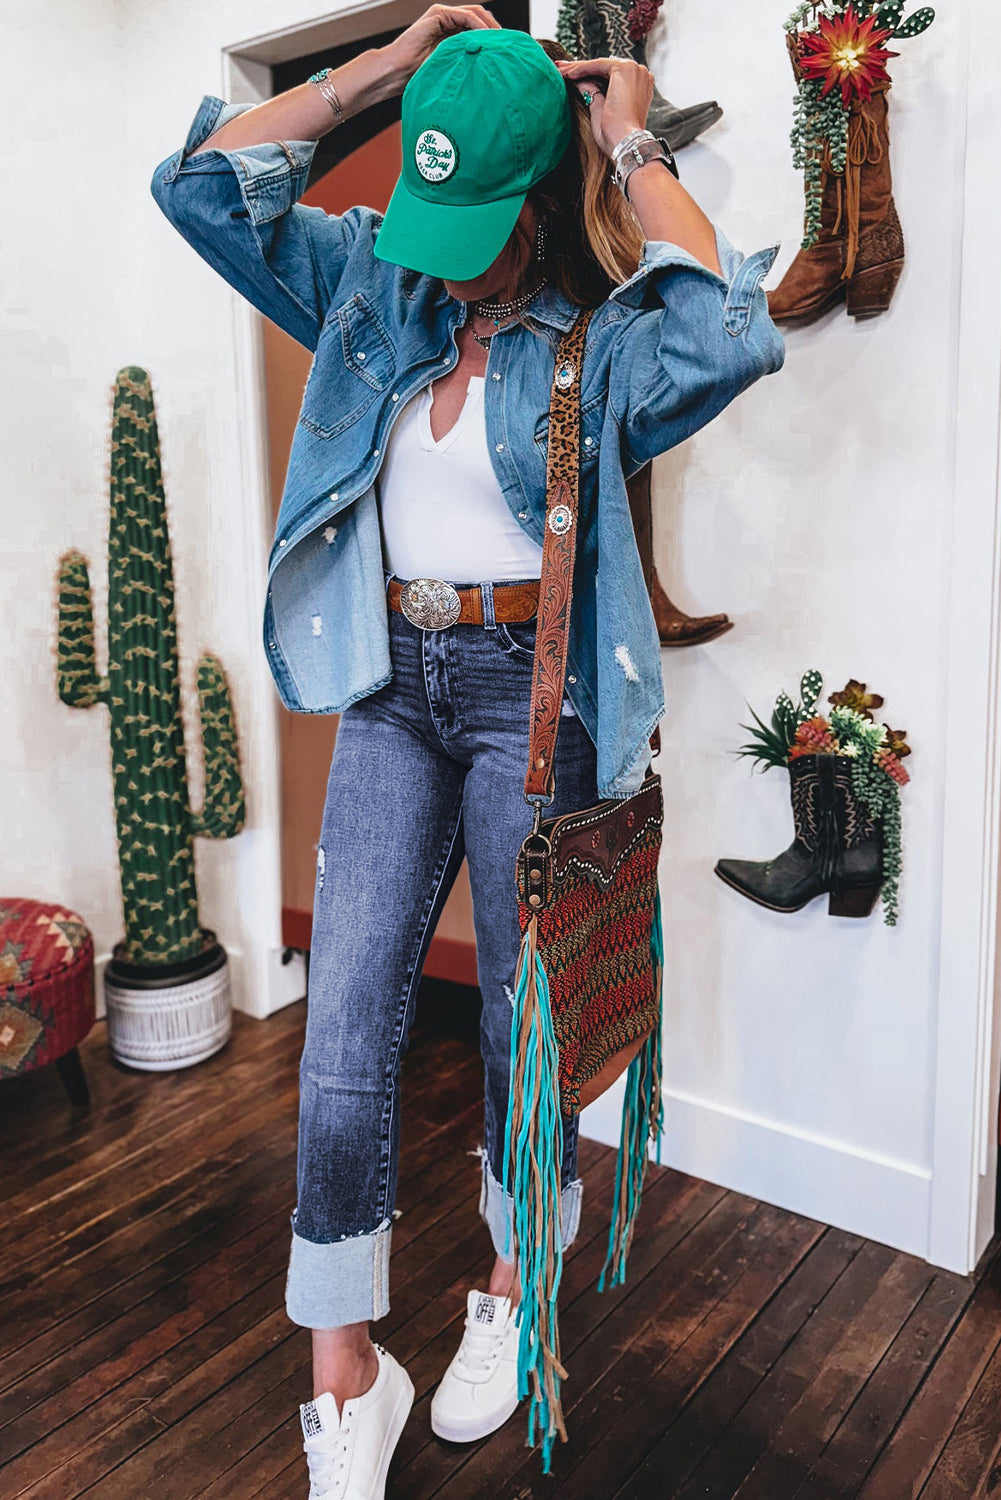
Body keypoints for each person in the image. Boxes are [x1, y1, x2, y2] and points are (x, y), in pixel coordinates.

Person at [150, 11, 784, 1497]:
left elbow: (729, 332)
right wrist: (388, 66)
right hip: (390, 686)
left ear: (539, 198)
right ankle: (344, 1376)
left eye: (475, 230)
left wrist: (629, 138)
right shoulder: (371, 281)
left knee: (519, 1025)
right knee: (343, 1028)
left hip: (531, 696)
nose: (445, 262)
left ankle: (511, 1289)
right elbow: (197, 188)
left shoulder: (602, 339)